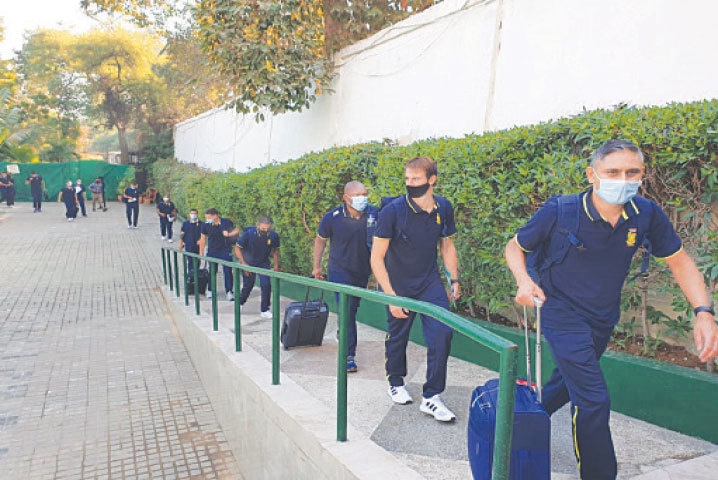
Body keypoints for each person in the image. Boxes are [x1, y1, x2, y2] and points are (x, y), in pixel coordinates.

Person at [504, 139, 718, 480]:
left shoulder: (645, 213)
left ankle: (515, 427)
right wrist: (523, 281)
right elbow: (515, 248)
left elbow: (679, 261)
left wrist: (703, 312)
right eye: (612, 172)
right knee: (592, 400)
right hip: (558, 310)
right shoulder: (561, 211)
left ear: (642, 175)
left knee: (565, 381)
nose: (623, 179)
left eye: (632, 172)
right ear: (592, 174)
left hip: (602, 316)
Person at [371, 156, 461, 422]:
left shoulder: (443, 208)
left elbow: (447, 244)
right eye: (407, 179)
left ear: (432, 180)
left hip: (429, 281)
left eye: (417, 180)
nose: (410, 184)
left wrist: (453, 279)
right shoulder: (393, 212)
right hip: (397, 283)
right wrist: (390, 296)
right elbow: (376, 257)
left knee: (443, 333)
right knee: (398, 336)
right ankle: (396, 381)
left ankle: (432, 397)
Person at [313, 181, 379, 372]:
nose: (362, 198)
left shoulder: (374, 214)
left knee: (352, 309)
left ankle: (343, 330)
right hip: (339, 271)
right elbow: (320, 241)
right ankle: (348, 355)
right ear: (346, 198)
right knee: (347, 310)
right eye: (358, 195)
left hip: (362, 271)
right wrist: (316, 267)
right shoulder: (332, 217)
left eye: (365, 194)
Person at [235, 216, 280, 318]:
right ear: (258, 225)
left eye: (268, 228)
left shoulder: (273, 236)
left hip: (263, 263)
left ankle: (264, 309)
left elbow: (276, 251)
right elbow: (237, 248)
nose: (265, 230)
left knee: (266, 285)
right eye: (263, 228)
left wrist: (276, 266)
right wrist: (243, 264)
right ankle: (240, 303)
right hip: (248, 262)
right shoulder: (248, 235)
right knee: (248, 285)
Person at [199, 208, 239, 300]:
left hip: (225, 250)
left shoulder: (226, 222)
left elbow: (237, 230)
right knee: (212, 271)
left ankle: (229, 292)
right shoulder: (205, 225)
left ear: (215, 215)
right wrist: (201, 254)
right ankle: (210, 290)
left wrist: (229, 234)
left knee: (228, 271)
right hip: (212, 251)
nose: (207, 219)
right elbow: (203, 239)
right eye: (206, 218)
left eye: (209, 217)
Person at [179, 208, 202, 274]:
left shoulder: (201, 224)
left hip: (198, 246)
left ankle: (196, 274)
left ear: (197, 214)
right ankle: (190, 275)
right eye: (192, 213)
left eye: (195, 213)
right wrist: (181, 244)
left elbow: (204, 234)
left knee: (197, 260)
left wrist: (201, 240)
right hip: (189, 245)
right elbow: (182, 234)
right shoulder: (186, 223)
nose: (193, 215)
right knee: (190, 261)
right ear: (189, 214)